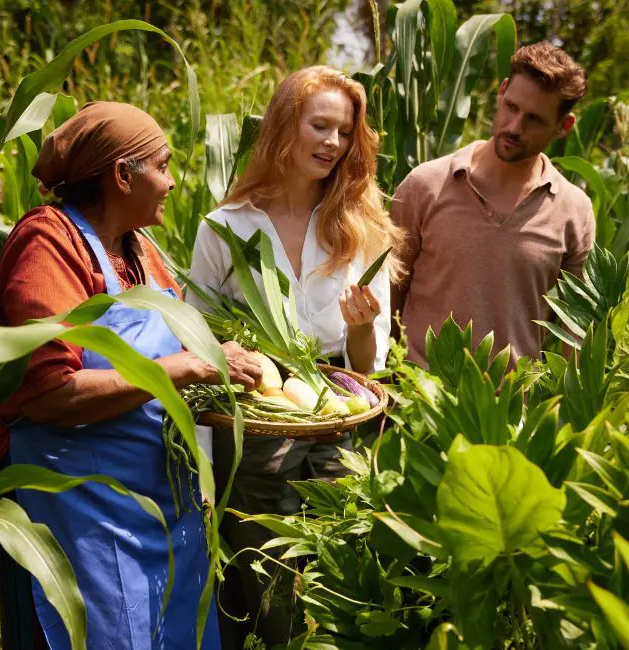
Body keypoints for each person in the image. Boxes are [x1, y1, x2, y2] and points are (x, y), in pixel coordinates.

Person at [0, 101, 263, 649]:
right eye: (163, 166)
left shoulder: (140, 249)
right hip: (80, 513)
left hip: (161, 507)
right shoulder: (49, 244)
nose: (173, 182)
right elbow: (48, 395)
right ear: (123, 176)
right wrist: (179, 367)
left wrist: (216, 355)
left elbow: (172, 348)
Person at [186, 65, 402, 646]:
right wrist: (205, 475)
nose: (333, 144)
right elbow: (195, 344)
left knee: (334, 585)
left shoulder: (361, 229)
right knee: (259, 589)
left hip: (338, 429)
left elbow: (365, 369)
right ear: (286, 125)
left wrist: (361, 327)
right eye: (320, 126)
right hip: (253, 435)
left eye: (345, 133)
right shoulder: (225, 227)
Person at [391, 41, 595, 367]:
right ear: (501, 92)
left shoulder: (573, 211)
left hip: (512, 410)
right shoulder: (425, 186)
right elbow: (388, 295)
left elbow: (577, 327)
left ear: (564, 126)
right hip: (417, 399)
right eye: (511, 107)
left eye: (534, 120)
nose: (514, 127)